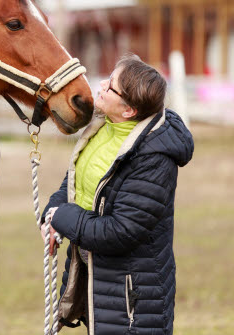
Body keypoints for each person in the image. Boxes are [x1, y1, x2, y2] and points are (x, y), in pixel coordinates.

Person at [41, 54, 194, 335]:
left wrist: (62, 217)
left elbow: (119, 232)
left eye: (111, 86)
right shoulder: (104, 127)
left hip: (132, 302)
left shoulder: (154, 158)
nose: (101, 86)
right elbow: (74, 182)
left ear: (128, 111)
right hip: (100, 283)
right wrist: (50, 216)